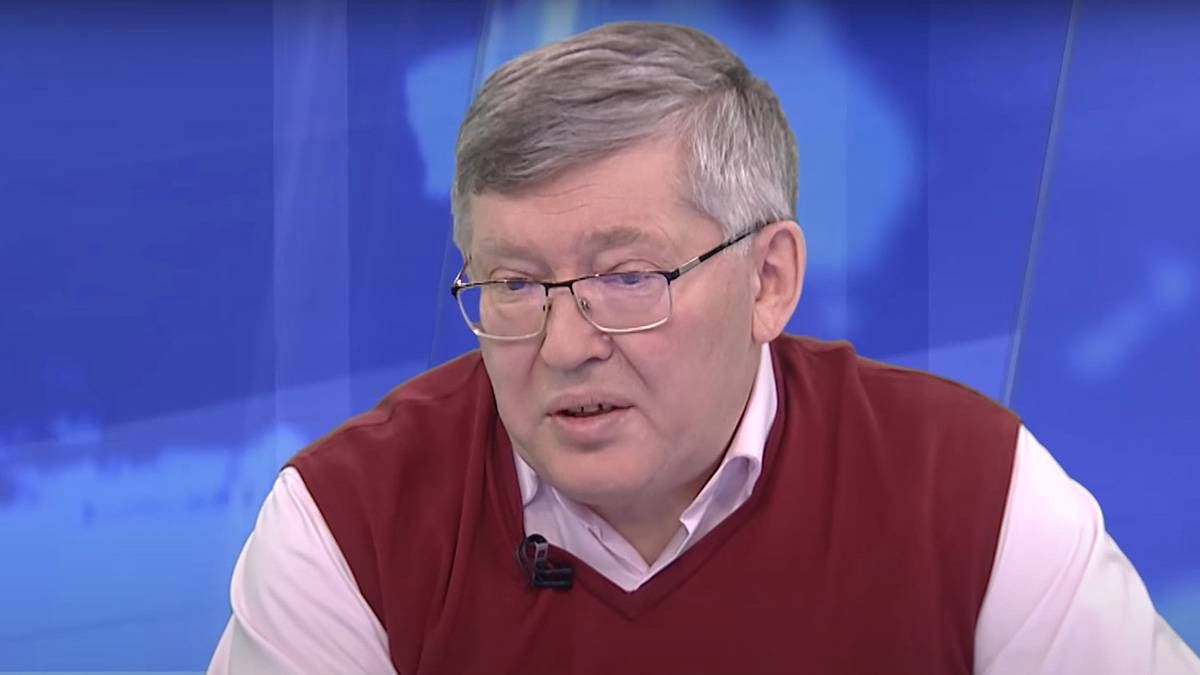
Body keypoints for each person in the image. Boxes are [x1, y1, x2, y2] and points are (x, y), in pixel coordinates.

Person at [208, 21, 1199, 675]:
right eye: (514, 284)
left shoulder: (971, 491)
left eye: (627, 276)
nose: (563, 345)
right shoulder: (346, 526)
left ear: (768, 280)